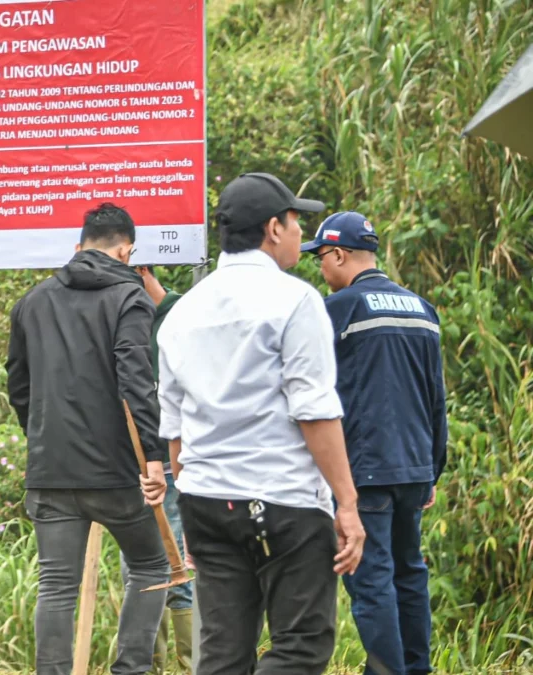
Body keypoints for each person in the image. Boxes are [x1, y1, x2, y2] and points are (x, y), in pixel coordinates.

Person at [156, 173, 366, 675]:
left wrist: (189, 499)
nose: (300, 233)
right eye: (296, 222)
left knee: (224, 654)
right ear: (273, 228)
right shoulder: (295, 300)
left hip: (207, 501)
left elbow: (175, 426)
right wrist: (348, 503)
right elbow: (313, 409)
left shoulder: (182, 313)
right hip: (284, 500)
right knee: (301, 644)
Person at [7, 202, 170, 675]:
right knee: (152, 567)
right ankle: (130, 669)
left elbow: (18, 384)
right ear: (126, 251)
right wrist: (153, 457)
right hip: (117, 473)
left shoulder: (32, 302)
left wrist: (41, 435)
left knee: (56, 584)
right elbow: (136, 380)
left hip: (51, 468)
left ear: (78, 248)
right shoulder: (130, 297)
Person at [303, 211, 447, 675]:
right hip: (414, 468)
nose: (320, 270)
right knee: (410, 575)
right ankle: (415, 668)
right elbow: (435, 396)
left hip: (364, 471)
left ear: (339, 254)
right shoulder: (422, 309)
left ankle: (386, 671)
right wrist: (433, 471)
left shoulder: (338, 310)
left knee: (373, 582)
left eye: (321, 258)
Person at [129, 266, 191, 675]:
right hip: (133, 462)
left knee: (179, 568)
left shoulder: (183, 315)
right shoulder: (124, 318)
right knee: (140, 570)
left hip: (177, 462)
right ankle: (148, 665)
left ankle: (191, 664)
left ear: (141, 270)